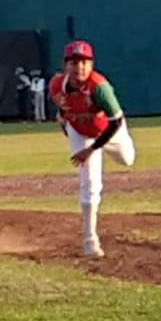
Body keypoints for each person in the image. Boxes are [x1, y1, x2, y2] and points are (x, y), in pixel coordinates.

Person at [48, 41, 135, 259]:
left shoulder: (99, 88)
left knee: (127, 160)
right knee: (89, 183)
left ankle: (105, 149)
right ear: (66, 65)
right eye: (74, 62)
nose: (80, 67)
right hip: (81, 132)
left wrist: (93, 149)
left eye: (85, 62)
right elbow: (63, 111)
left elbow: (115, 121)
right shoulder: (56, 86)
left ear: (92, 64)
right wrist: (75, 140)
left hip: (109, 129)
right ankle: (90, 239)